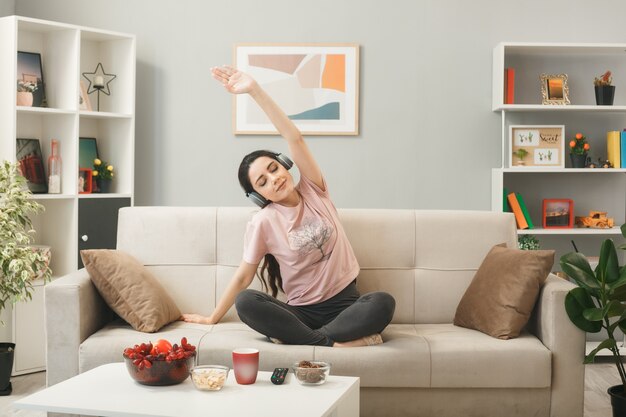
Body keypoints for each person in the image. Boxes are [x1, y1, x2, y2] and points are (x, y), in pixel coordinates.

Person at [181, 65, 395, 347]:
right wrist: (212, 317)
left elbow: (294, 137)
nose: (274, 179)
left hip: (347, 307)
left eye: (273, 168)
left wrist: (254, 90)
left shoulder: (314, 190)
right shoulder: (263, 222)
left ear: (284, 164)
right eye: (262, 181)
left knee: (382, 302)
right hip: (300, 313)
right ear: (259, 196)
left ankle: (305, 341)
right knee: (246, 301)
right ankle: (336, 344)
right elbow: (244, 277)